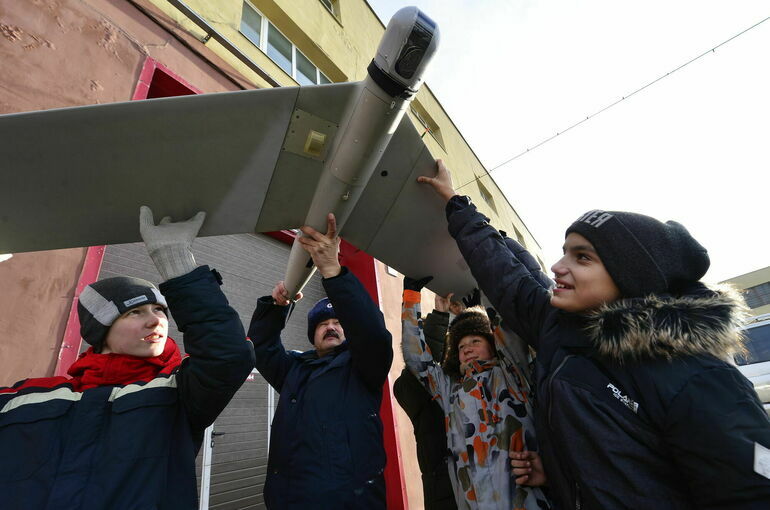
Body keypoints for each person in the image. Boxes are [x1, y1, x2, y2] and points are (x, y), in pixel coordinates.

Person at [418, 159, 770, 509]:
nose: (557, 267)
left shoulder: (696, 376)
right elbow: (506, 274)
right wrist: (559, 474)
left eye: (582, 258)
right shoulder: (558, 328)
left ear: (631, 277)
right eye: (564, 252)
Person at [0, 206, 255, 510]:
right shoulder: (25, 396)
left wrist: (175, 261)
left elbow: (228, 354)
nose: (156, 321)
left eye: (159, 310)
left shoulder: (178, 393)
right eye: (135, 312)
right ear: (101, 330)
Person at [249, 213, 393, 509]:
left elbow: (373, 333)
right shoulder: (295, 369)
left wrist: (332, 271)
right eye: (322, 324)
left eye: (338, 322)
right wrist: (278, 308)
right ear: (312, 336)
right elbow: (260, 347)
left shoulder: (363, 367)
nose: (331, 327)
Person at [401, 276, 551, 510]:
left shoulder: (512, 373)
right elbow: (417, 360)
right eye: (461, 346)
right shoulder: (451, 390)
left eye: (475, 340)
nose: (467, 348)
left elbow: (507, 330)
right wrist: (411, 298)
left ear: (492, 344)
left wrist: (486, 285)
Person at [393, 292, 460, 510]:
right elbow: (418, 367)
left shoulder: (476, 384)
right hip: (445, 495)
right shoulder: (416, 388)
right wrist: (440, 316)